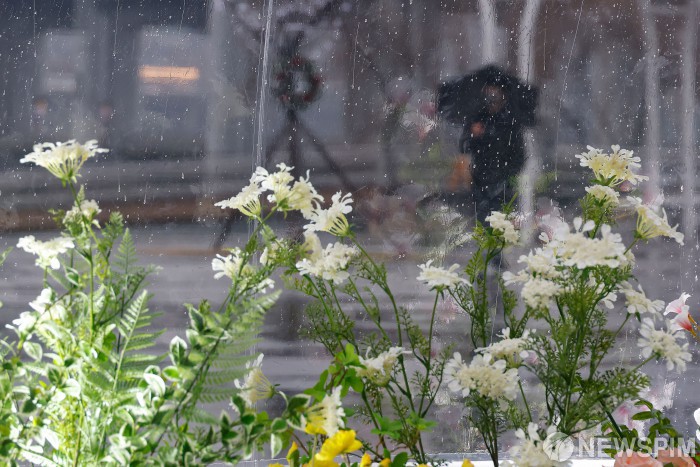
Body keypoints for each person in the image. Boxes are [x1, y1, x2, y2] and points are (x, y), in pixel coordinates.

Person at [459, 81, 526, 222]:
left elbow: (518, 152)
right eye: (489, 95)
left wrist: (508, 174)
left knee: (502, 219)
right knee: (482, 218)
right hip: (480, 178)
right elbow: (465, 146)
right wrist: (474, 135)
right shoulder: (478, 118)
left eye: (496, 95)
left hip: (503, 178)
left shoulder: (510, 120)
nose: (492, 98)